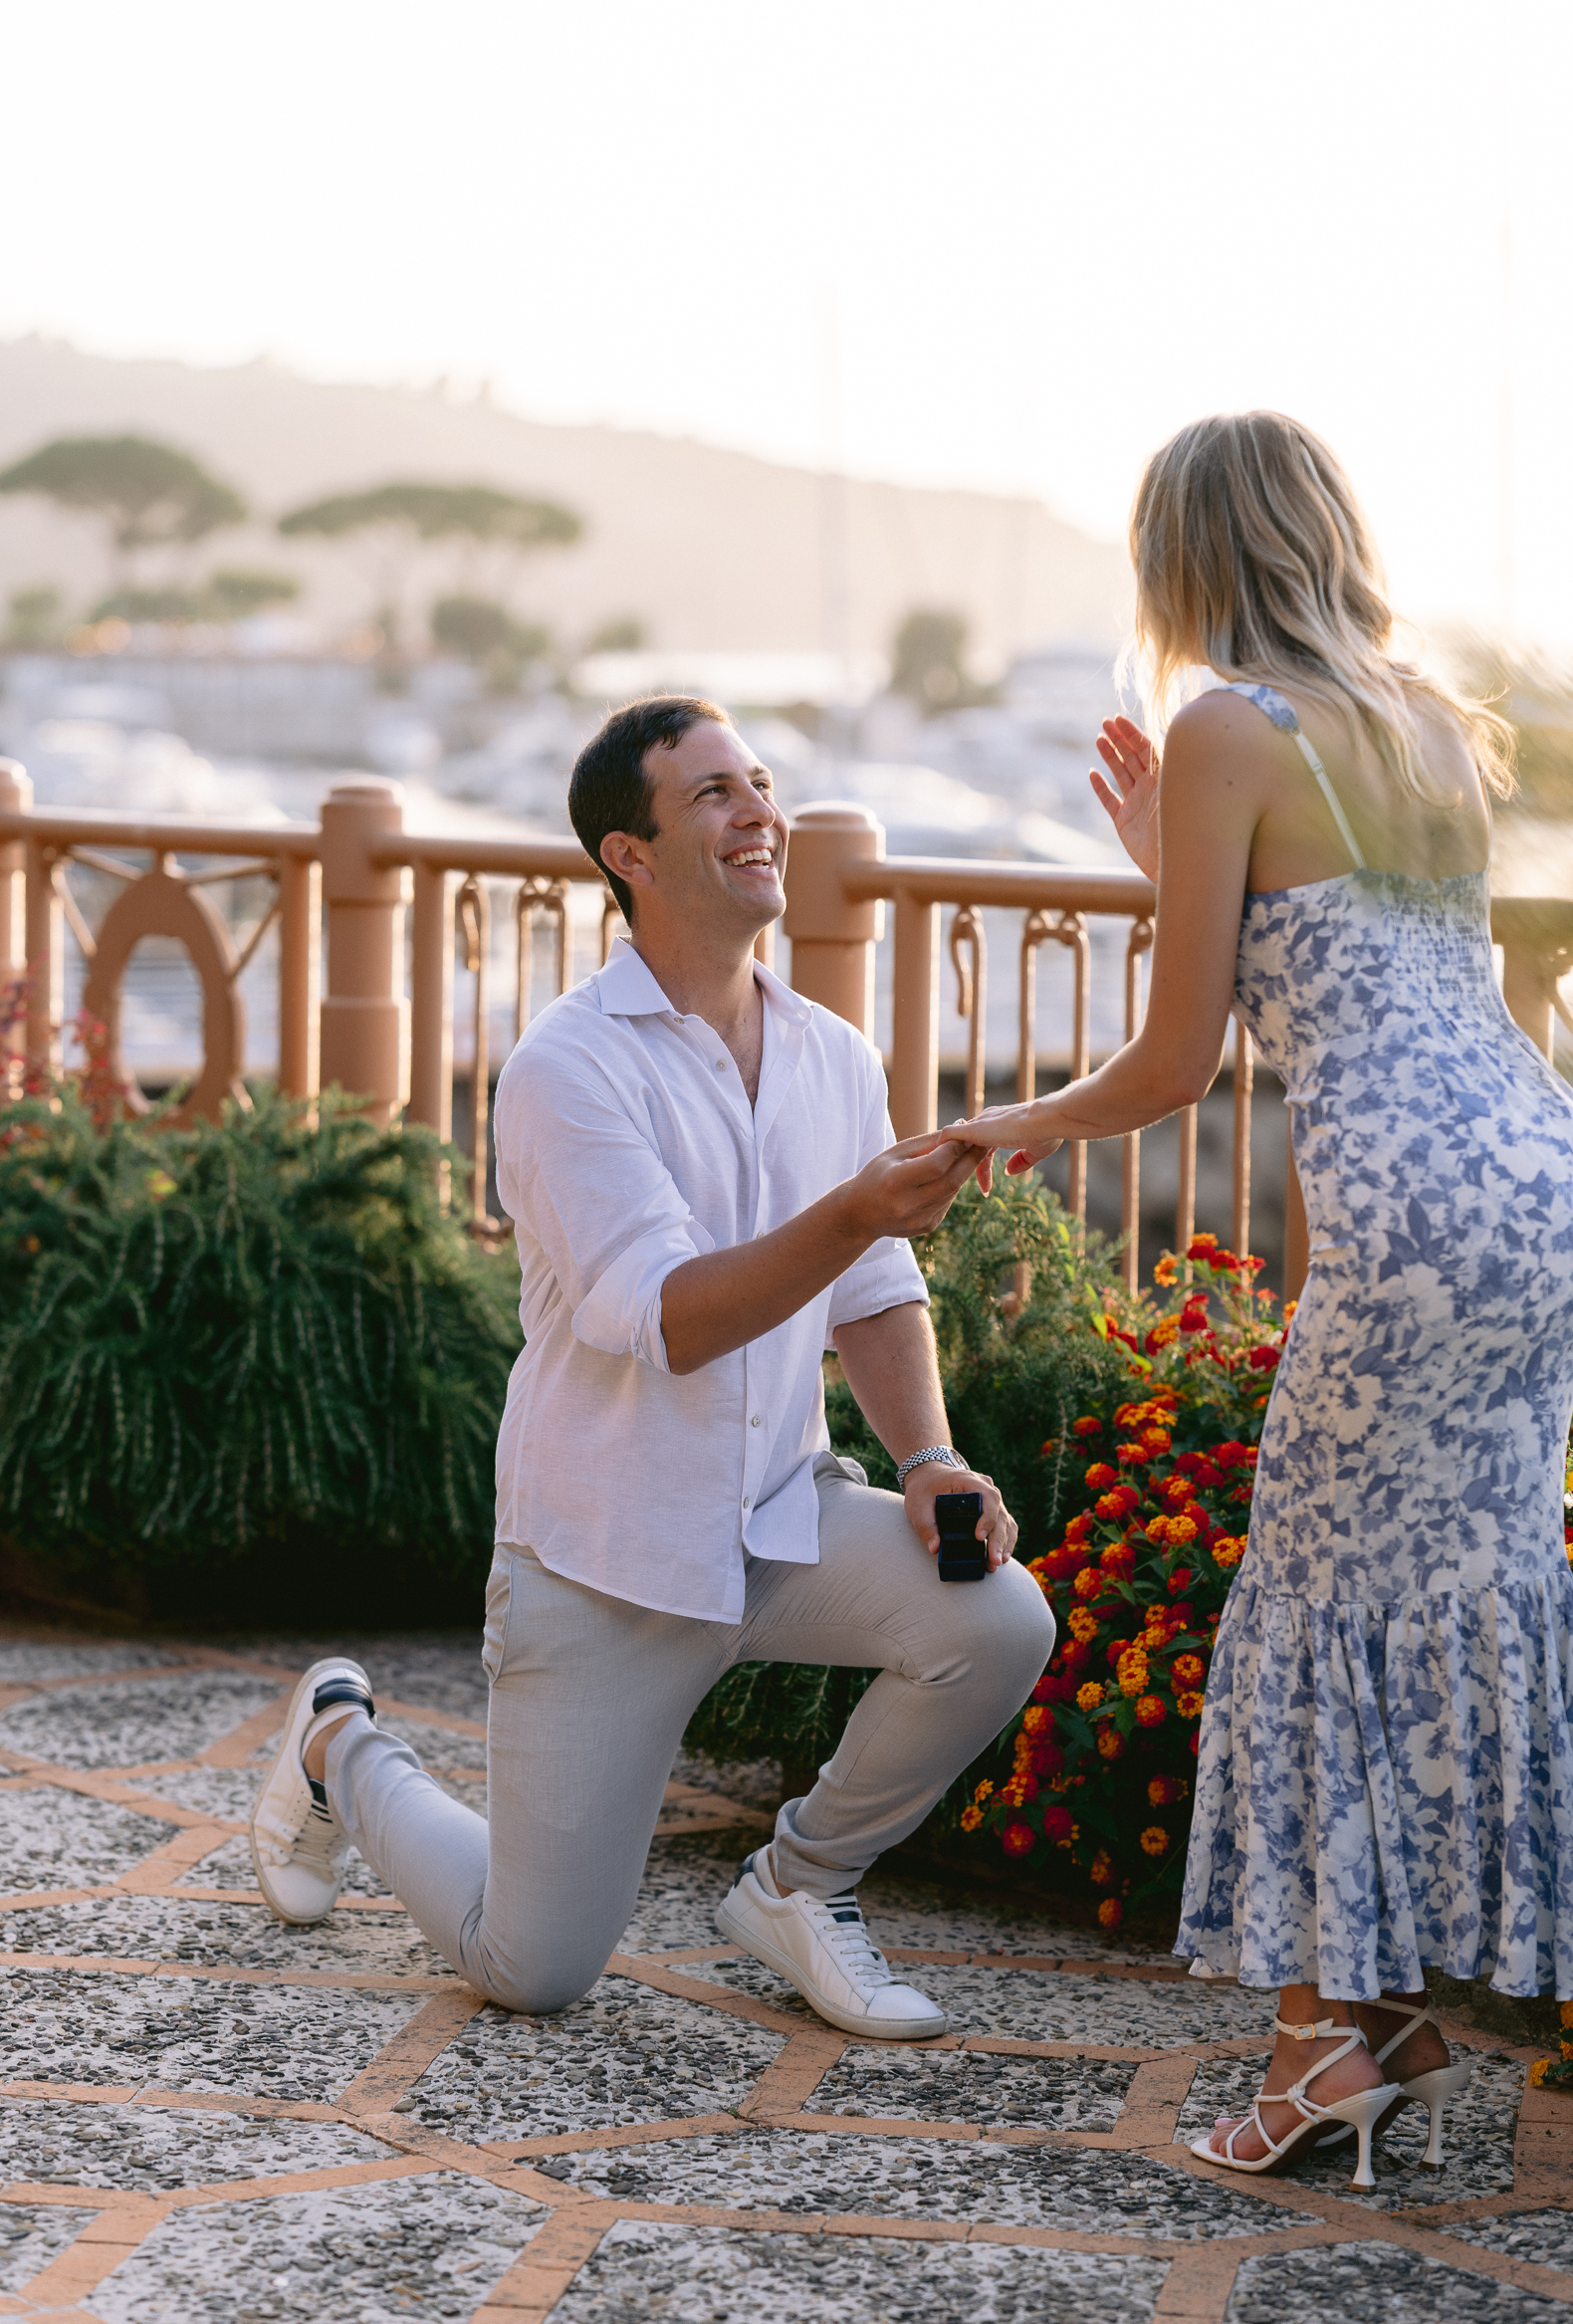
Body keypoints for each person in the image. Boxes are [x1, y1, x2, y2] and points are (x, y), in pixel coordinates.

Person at [954, 411, 1573, 2188]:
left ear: (1186, 558)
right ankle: (1381, 2015)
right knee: (1467, 1597)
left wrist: (1010, 1126)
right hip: (1537, 1185)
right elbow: (1357, 962)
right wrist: (1187, 844)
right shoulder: (1432, 723)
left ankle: (1316, 2062)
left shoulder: (1229, 725)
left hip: (1402, 1219)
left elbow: (1173, 1059)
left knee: (1311, 1608)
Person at [250, 694, 1054, 2038]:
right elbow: (672, 1316)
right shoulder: (570, 1066)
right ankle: (336, 1739)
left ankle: (803, 1885)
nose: (759, 815)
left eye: (761, 784)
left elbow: (874, 1291)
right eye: (715, 796)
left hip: (776, 1523)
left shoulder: (832, 1053)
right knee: (534, 1965)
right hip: (603, 1562)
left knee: (995, 1621)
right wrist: (856, 1206)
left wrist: (929, 1459)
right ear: (630, 854)